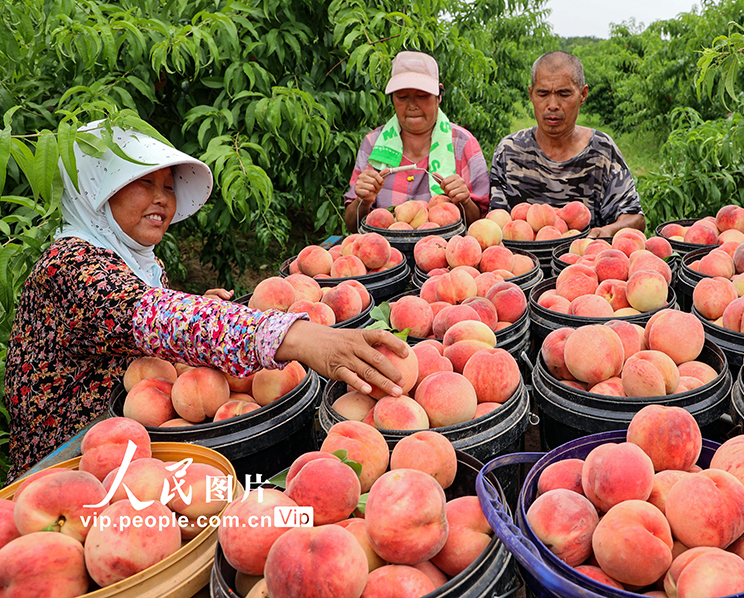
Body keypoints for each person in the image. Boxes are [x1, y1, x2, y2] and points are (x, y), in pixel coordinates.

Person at [5, 121, 408, 482]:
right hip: (69, 463)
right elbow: (149, 316)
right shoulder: (71, 263)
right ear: (96, 190)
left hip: (139, 434)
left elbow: (150, 321)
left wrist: (195, 307)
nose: (163, 199)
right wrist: (299, 339)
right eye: (145, 183)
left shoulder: (134, 258)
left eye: (168, 186)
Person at [489, 51, 645, 238]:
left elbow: (635, 218)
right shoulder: (509, 151)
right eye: (543, 94)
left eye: (564, 94)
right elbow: (496, 222)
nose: (553, 105)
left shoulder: (601, 150)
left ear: (583, 94)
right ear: (531, 94)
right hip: (525, 264)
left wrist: (607, 231)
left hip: (585, 261)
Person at [343, 51, 489, 232]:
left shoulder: (463, 144)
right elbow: (351, 225)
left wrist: (465, 201)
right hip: (388, 254)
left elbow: (479, 224)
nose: (412, 105)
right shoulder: (374, 144)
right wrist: (363, 201)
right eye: (402, 97)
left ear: (439, 95)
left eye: (422, 96)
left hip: (445, 253)